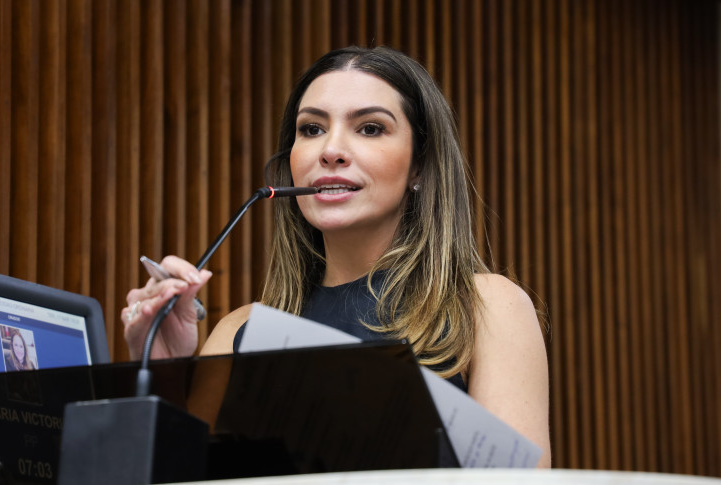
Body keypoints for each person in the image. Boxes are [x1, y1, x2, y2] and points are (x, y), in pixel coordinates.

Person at [121, 46, 550, 467]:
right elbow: (177, 474)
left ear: (419, 166)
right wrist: (163, 369)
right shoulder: (240, 330)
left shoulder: (487, 305)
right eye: (311, 129)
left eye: (369, 128)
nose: (331, 150)